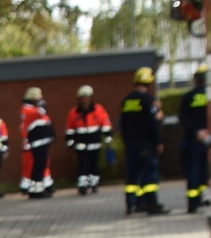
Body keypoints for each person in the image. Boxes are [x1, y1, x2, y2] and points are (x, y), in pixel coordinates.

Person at [120, 67, 166, 214]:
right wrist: (159, 141)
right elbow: (152, 123)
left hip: (130, 143)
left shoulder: (126, 101)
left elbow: (123, 124)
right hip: (146, 144)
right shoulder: (148, 101)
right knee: (149, 174)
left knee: (133, 174)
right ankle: (152, 204)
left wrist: (126, 142)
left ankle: (132, 203)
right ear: (149, 83)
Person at [64, 85, 112, 194]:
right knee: (82, 165)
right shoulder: (74, 112)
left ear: (91, 98)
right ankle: (82, 185)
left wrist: (108, 136)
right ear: (80, 99)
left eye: (87, 98)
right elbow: (69, 128)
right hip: (81, 145)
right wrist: (69, 140)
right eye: (83, 98)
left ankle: (94, 183)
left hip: (95, 144)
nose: (85, 100)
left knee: (94, 165)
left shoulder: (98, 110)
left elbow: (105, 123)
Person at [180, 66, 211, 211]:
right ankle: (205, 197)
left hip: (193, 140)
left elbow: (183, 117)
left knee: (193, 171)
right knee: (206, 170)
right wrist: (208, 132)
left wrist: (196, 132)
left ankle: (193, 203)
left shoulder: (188, 96)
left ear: (196, 80)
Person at [18, 87, 55, 198]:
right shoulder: (27, 109)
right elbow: (41, 112)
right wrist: (41, 102)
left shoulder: (30, 108)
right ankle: (36, 190)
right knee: (38, 165)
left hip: (41, 141)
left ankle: (38, 188)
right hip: (37, 142)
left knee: (41, 164)